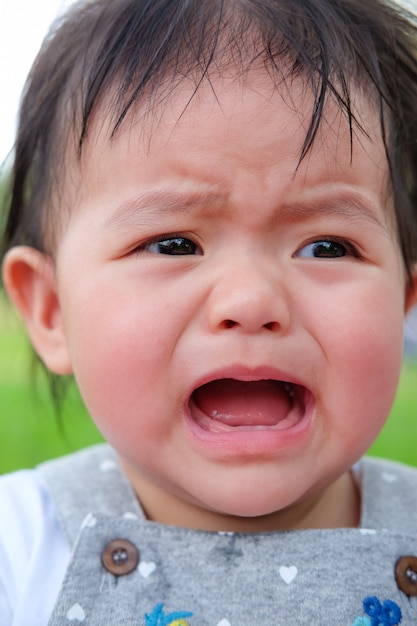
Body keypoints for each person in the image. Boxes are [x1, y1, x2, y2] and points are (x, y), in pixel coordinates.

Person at [1, 0, 417, 623]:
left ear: (403, 305)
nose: (251, 302)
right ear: (53, 309)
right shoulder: (19, 549)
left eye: (327, 246)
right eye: (174, 245)